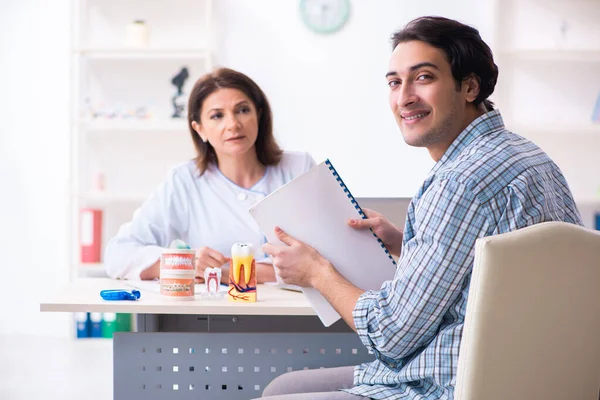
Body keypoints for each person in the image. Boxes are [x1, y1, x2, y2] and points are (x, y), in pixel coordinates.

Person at [259, 16, 583, 400]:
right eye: (395, 82)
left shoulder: (458, 181)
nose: (404, 97)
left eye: (424, 77)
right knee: (285, 387)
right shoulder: (530, 156)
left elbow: (392, 334)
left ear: (469, 86)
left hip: (449, 384)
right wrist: (403, 244)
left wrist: (317, 274)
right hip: (530, 377)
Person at [105, 67, 315, 282]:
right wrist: (183, 262)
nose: (233, 124)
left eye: (242, 110)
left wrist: (227, 273)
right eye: (217, 116)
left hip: (298, 311)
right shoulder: (185, 180)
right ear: (200, 129)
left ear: (259, 115)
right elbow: (118, 255)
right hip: (219, 313)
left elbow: (332, 255)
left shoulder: (299, 168)